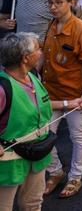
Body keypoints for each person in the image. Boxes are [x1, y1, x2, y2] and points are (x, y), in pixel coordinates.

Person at [40, 0, 82, 199]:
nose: (53, 7)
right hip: (50, 92)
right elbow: (45, 56)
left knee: (78, 136)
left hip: (75, 93)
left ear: (71, 2)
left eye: (58, 3)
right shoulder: (51, 25)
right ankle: (55, 171)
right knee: (43, 134)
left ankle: (75, 177)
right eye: (50, 3)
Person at [0, 33, 55, 206]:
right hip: (9, 163)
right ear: (25, 58)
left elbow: (38, 106)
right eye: (38, 49)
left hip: (37, 154)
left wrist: (70, 103)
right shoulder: (2, 89)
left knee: (33, 203)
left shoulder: (32, 77)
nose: (41, 51)